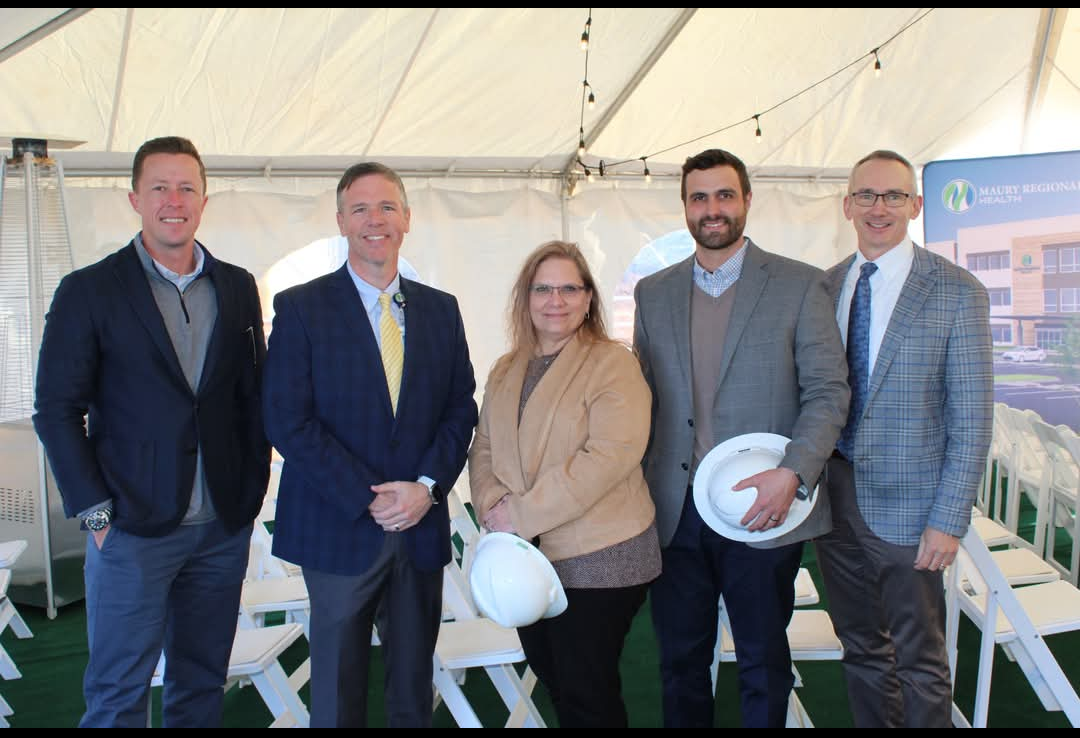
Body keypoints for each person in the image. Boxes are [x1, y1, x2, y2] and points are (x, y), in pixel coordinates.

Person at [32, 136, 270, 727]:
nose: (174, 199)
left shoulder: (237, 287)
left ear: (204, 200)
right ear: (134, 198)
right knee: (117, 692)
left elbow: (252, 397)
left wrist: (248, 494)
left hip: (220, 528)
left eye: (186, 187)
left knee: (201, 685)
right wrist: (95, 515)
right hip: (131, 531)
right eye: (159, 187)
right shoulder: (88, 291)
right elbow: (56, 409)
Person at [633, 148, 849, 727]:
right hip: (676, 514)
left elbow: (829, 393)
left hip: (764, 507)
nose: (712, 209)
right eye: (699, 197)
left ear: (747, 200)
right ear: (684, 206)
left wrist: (794, 474)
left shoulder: (802, 286)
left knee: (762, 660)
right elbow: (642, 398)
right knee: (680, 662)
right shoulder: (652, 294)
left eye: (724, 195)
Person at [262, 162, 477, 728]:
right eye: (359, 209)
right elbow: (287, 419)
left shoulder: (442, 309)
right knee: (336, 692)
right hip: (339, 529)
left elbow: (461, 407)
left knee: (412, 688)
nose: (373, 220)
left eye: (386, 207)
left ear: (406, 218)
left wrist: (426, 488)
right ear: (340, 221)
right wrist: (370, 496)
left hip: (420, 529)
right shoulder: (301, 307)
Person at [815, 150, 993, 728]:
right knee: (862, 648)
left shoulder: (956, 291)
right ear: (847, 206)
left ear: (916, 205)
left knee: (919, 658)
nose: (879, 207)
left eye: (893, 195)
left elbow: (971, 418)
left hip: (913, 513)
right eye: (866, 195)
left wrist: (949, 518)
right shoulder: (824, 287)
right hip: (833, 501)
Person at [469, 240, 661, 728]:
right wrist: (493, 506)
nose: (556, 300)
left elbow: (611, 455)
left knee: (585, 689)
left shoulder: (612, 362)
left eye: (569, 289)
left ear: (589, 298)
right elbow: (484, 445)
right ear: (525, 297)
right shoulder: (506, 367)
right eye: (544, 288)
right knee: (554, 677)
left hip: (602, 554)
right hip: (528, 552)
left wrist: (520, 515)